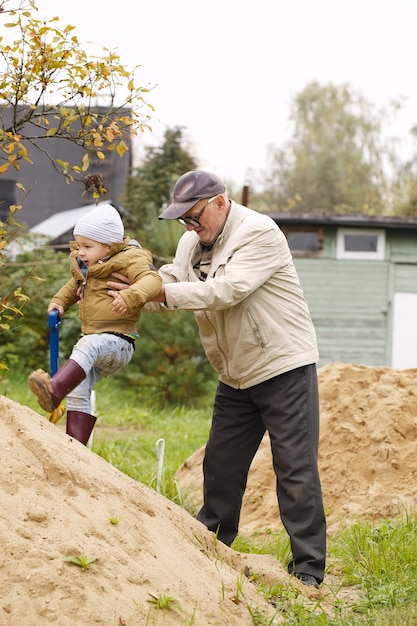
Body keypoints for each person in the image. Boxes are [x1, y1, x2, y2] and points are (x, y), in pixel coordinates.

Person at [108, 170, 326, 588]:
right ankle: (210, 553)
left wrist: (159, 292)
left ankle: (309, 572)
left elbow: (226, 291)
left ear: (220, 202)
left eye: (195, 217)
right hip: (235, 374)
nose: (190, 227)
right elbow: (171, 282)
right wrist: (128, 292)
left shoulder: (259, 233)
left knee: (295, 471)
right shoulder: (193, 241)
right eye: (183, 221)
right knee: (221, 468)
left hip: (283, 366)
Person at [28, 204, 162, 446]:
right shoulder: (86, 267)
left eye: (88, 247)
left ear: (108, 246)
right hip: (96, 342)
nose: (81, 252)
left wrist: (132, 296)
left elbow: (152, 279)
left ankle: (54, 391)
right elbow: (73, 286)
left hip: (119, 342)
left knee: (86, 344)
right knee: (79, 390)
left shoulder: (129, 259)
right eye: (79, 246)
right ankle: (75, 449)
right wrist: (59, 302)